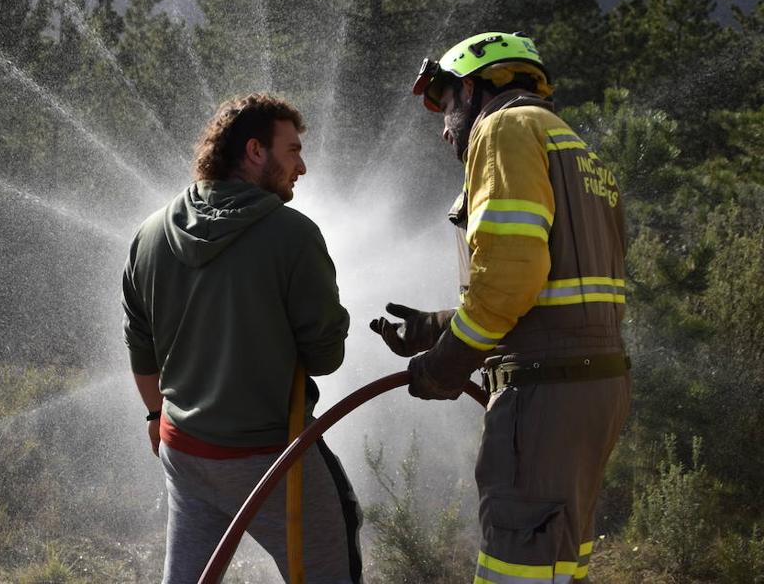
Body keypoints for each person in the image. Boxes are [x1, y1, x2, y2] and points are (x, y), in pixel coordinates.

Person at [371, 31, 630, 584]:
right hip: (592, 389)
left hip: (544, 395)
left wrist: (447, 362)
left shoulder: (503, 127)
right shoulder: (578, 150)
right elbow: (553, 291)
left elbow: (511, 277)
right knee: (557, 565)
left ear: (470, 90)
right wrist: (436, 327)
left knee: (518, 568)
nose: (444, 130)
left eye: (444, 108)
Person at [122, 92, 361, 584]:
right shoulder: (292, 235)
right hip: (268, 456)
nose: (303, 166)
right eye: (292, 150)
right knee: (331, 562)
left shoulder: (148, 233)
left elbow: (140, 345)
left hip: (183, 450)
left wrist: (154, 414)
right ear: (255, 151)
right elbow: (324, 356)